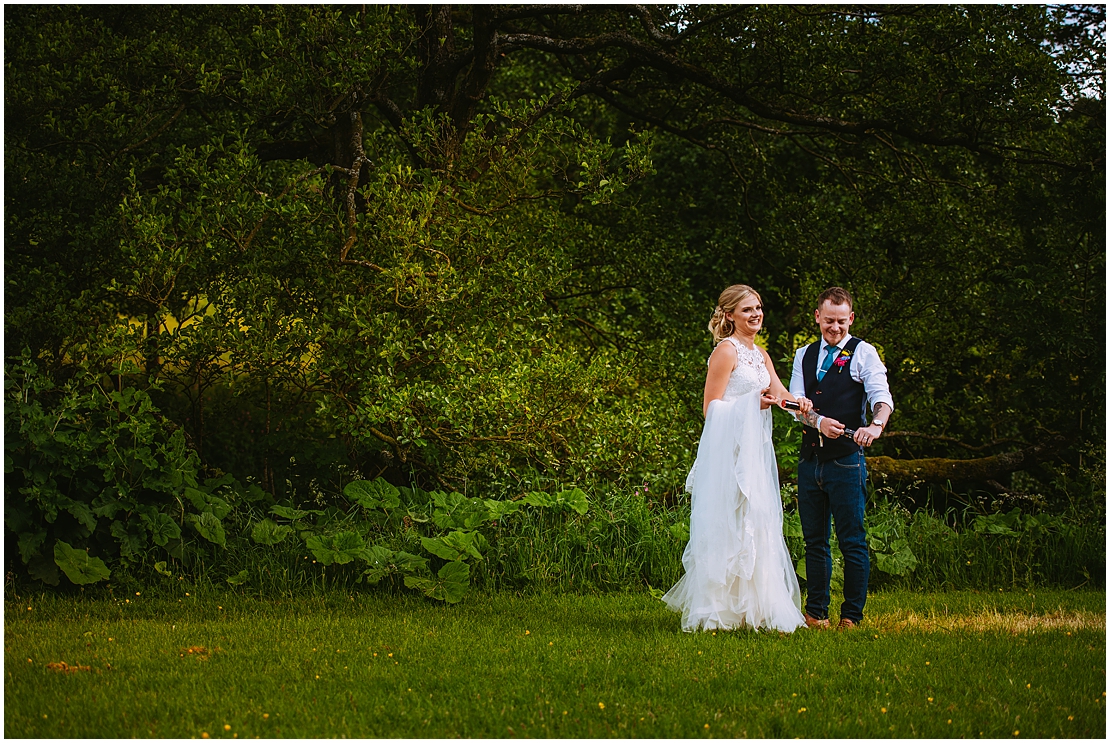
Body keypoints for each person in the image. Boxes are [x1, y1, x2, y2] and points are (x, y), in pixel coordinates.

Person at [662, 284, 813, 633]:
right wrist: (751, 405)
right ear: (729, 315)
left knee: (756, 522)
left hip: (755, 454)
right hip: (727, 455)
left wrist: (800, 405)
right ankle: (718, 610)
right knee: (727, 524)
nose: (756, 314)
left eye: (758, 307)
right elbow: (710, 408)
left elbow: (779, 395)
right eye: (747, 310)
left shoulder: (760, 355)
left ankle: (753, 609)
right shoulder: (725, 352)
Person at [788, 286, 894, 630]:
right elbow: (794, 403)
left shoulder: (864, 353)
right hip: (810, 460)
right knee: (814, 541)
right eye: (828, 321)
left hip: (847, 460)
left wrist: (875, 425)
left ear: (851, 319)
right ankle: (816, 614)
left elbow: (881, 396)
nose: (835, 328)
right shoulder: (802, 355)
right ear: (818, 316)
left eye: (841, 322)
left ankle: (852, 617)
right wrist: (817, 421)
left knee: (852, 539)